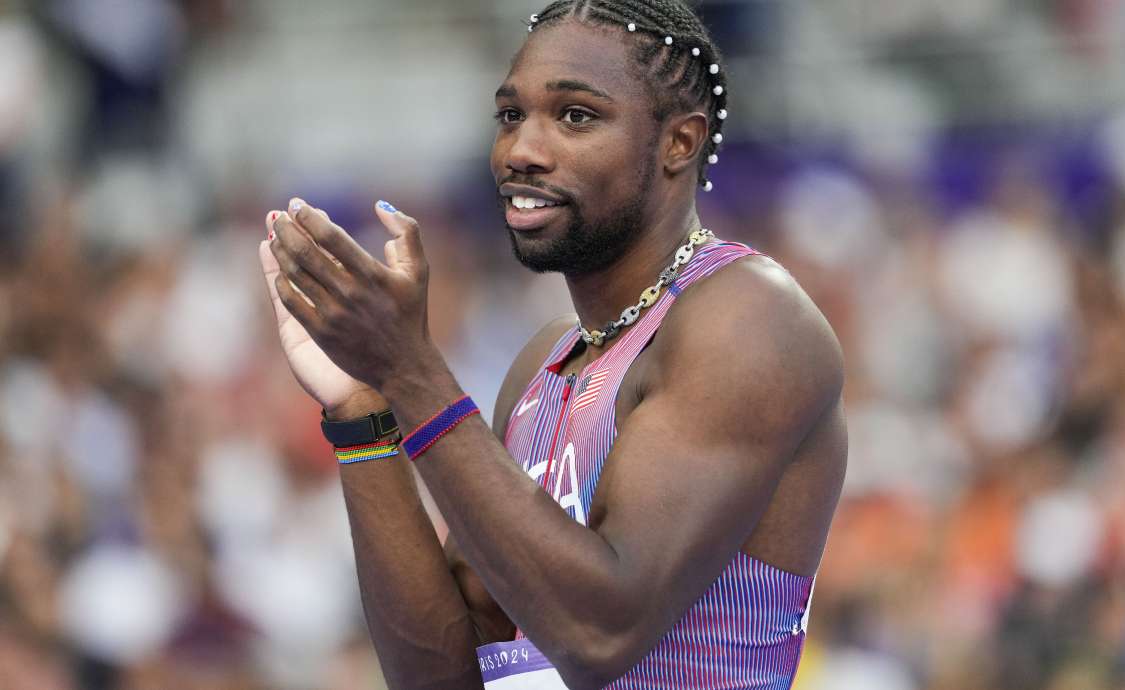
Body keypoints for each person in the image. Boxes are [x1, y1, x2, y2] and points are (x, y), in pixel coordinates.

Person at [257, 1, 846, 688]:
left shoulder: (751, 318)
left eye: (575, 116)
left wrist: (411, 369)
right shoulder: (543, 366)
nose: (521, 152)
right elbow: (442, 678)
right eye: (511, 116)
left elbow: (599, 634)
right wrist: (365, 411)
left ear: (678, 144)